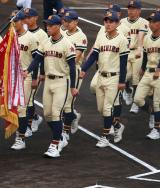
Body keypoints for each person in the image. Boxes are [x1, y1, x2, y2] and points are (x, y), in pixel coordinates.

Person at [24, 15, 77, 158]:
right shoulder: (45, 43)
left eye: (50, 25)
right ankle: (59, 137)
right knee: (47, 115)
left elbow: (72, 68)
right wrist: (27, 71)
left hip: (62, 82)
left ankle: (54, 145)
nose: (47, 27)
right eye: (46, 25)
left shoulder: (67, 44)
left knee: (56, 113)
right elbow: (37, 60)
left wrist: (73, 86)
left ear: (58, 26)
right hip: (48, 81)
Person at [80, 11, 129, 146]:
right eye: (106, 21)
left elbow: (124, 62)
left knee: (107, 108)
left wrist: (122, 81)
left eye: (111, 21)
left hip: (114, 77)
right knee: (101, 109)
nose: (108, 24)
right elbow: (93, 56)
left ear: (117, 24)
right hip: (100, 76)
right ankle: (117, 126)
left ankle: (105, 137)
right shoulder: (101, 38)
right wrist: (83, 70)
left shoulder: (122, 40)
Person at [133, 12, 160, 140]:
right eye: (150, 21)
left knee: (157, 102)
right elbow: (145, 55)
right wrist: (143, 69)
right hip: (148, 72)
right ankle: (152, 113)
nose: (151, 24)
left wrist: (158, 69)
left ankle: (156, 130)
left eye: (154, 21)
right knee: (138, 99)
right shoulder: (147, 38)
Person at [10, 10, 39, 150]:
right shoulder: (10, 37)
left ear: (22, 21)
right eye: (12, 21)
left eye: (15, 21)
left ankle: (20, 138)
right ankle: (20, 133)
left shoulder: (30, 38)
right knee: (13, 108)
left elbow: (37, 59)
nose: (13, 23)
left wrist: (34, 78)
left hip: (25, 76)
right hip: (12, 77)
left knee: (21, 108)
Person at [61, 10, 87, 140]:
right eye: (65, 21)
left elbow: (76, 58)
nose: (66, 23)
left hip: (74, 70)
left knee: (68, 103)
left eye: (68, 21)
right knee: (61, 102)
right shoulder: (62, 33)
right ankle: (74, 116)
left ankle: (65, 132)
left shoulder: (81, 37)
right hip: (61, 70)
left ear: (76, 22)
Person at [120, 0, 149, 114]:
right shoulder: (122, 22)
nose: (131, 11)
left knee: (136, 77)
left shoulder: (144, 22)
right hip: (126, 52)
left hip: (138, 52)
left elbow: (143, 37)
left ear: (139, 11)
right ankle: (128, 90)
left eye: (133, 9)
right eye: (129, 8)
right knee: (125, 75)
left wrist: (140, 48)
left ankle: (135, 103)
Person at [23, 8, 47, 134]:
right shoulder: (24, 32)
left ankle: (28, 125)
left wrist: (40, 74)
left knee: (29, 99)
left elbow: (41, 57)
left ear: (35, 17)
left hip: (35, 71)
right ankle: (36, 118)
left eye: (29, 17)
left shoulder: (42, 35)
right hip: (24, 71)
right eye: (25, 17)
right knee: (25, 99)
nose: (26, 19)